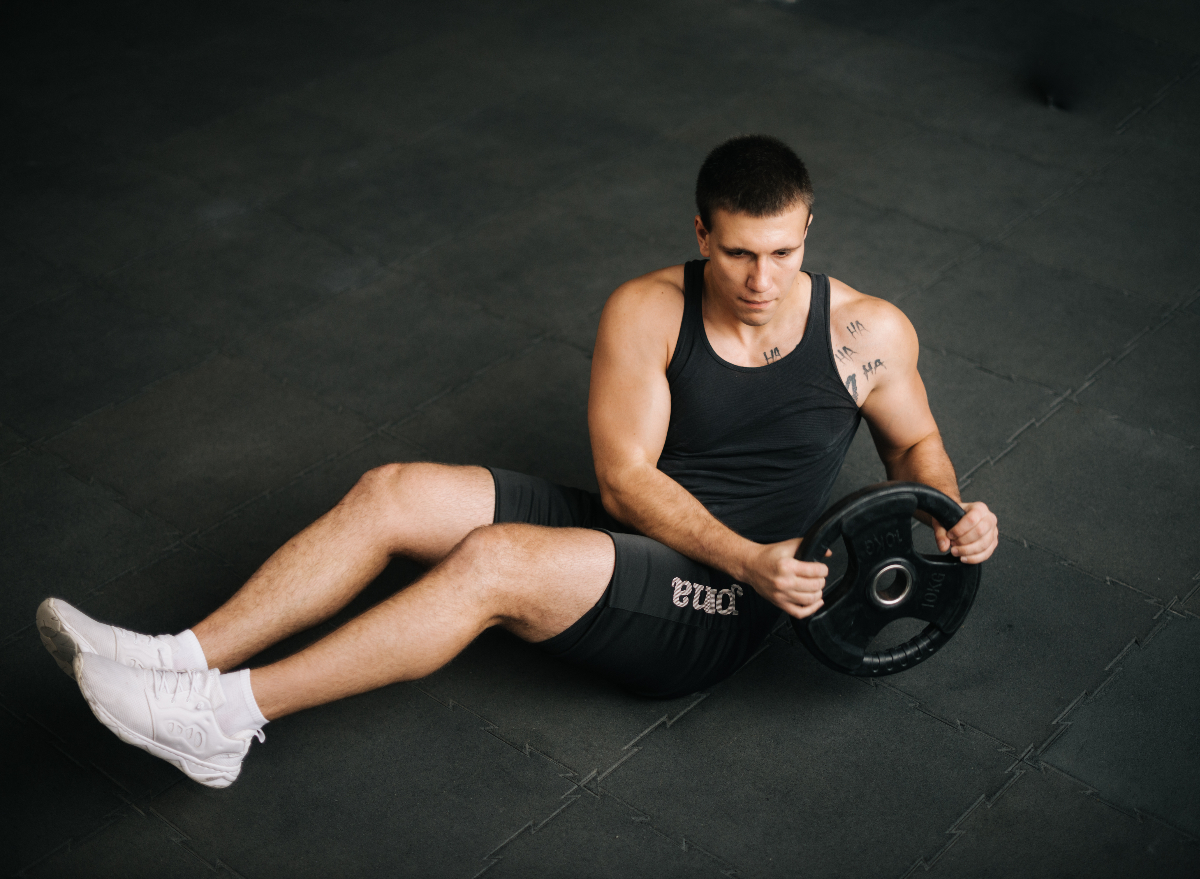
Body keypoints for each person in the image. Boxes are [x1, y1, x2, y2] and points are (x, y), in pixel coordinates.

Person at [36, 135, 998, 789]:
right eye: (740, 253)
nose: (762, 280)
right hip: (648, 533)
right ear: (700, 233)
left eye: (783, 253)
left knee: (492, 562)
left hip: (730, 599)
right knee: (393, 492)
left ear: (808, 232)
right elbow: (624, 483)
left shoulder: (868, 330)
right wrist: (730, 547)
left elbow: (914, 446)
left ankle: (222, 720)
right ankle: (179, 657)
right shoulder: (649, 308)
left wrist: (950, 512)